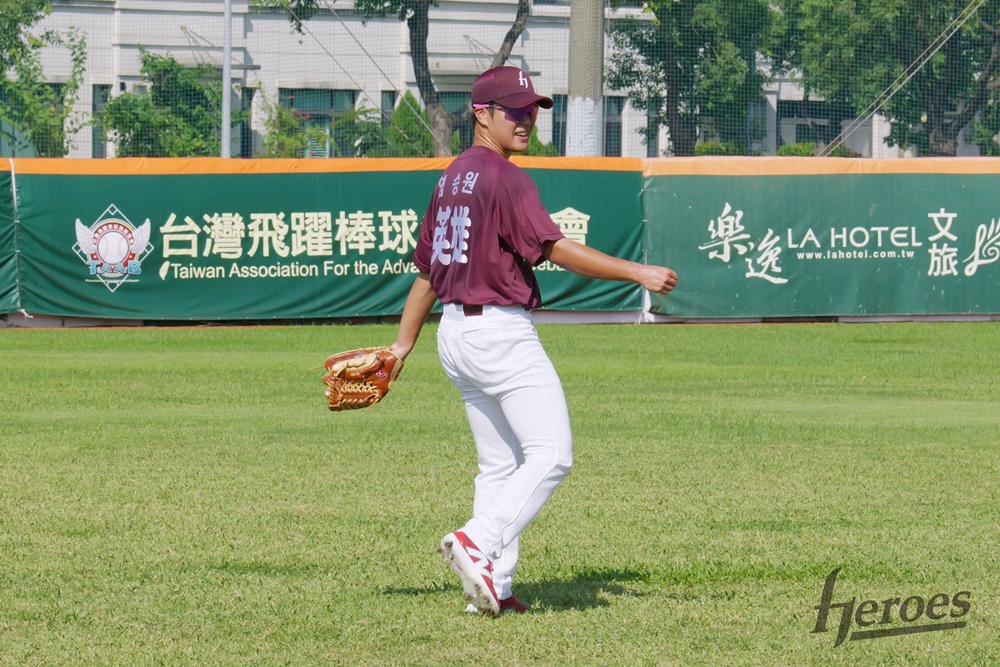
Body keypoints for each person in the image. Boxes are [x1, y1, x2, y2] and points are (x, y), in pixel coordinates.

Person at [389, 66, 678, 616]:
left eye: (533, 109)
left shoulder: (451, 177)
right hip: (498, 332)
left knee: (498, 465)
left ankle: (492, 585)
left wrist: (404, 344)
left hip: (455, 333)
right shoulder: (503, 176)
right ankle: (478, 539)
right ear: (482, 113)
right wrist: (636, 273)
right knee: (552, 454)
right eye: (514, 110)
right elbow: (554, 248)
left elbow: (427, 273)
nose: (527, 120)